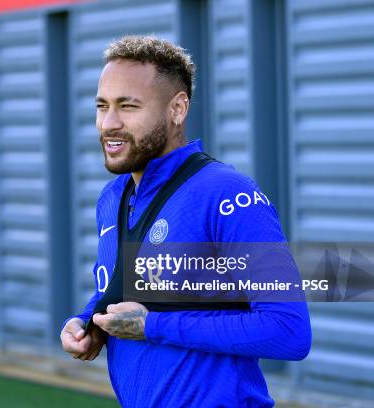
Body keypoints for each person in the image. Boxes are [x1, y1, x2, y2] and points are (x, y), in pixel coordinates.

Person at [59, 35, 311, 407]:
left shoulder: (226, 193)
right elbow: (123, 291)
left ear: (177, 109)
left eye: (128, 106)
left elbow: (288, 331)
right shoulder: (112, 198)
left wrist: (152, 327)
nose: (109, 123)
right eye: (102, 106)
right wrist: (88, 322)